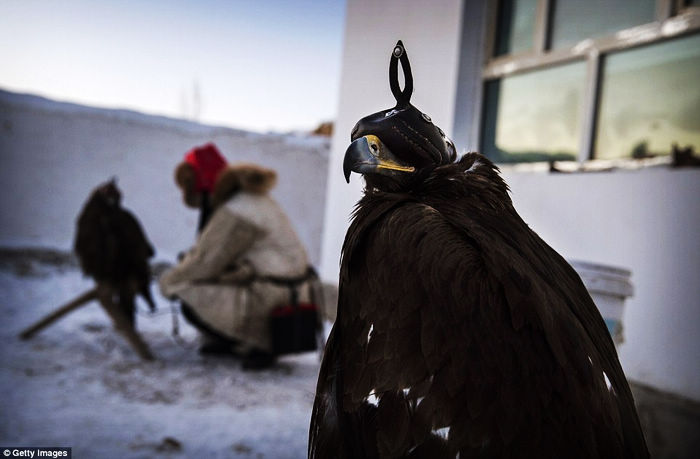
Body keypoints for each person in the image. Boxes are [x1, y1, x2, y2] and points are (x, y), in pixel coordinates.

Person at [160, 153, 315, 369]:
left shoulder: (236, 210)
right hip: (295, 290)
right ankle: (241, 342)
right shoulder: (261, 201)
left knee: (186, 290)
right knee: (214, 281)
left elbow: (205, 262)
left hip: (270, 295)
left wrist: (168, 281)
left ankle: (258, 345)